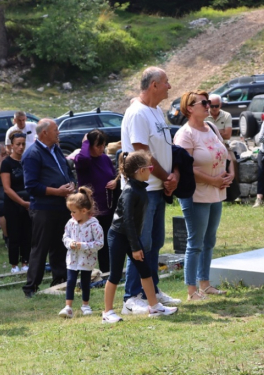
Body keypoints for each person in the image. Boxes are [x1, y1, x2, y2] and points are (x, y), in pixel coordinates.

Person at [120, 67, 181, 314]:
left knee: (154, 243)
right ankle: (132, 296)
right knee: (140, 244)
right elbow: (142, 153)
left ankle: (151, 290)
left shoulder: (155, 111)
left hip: (157, 188)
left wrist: (172, 176)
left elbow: (165, 148)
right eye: (166, 82)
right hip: (141, 191)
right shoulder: (137, 114)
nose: (169, 86)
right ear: (154, 85)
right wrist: (168, 177)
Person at [102, 151, 178, 323]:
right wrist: (135, 248)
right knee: (114, 275)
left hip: (131, 236)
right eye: (150, 168)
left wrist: (135, 244)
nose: (152, 171)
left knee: (145, 270)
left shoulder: (140, 188)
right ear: (140, 171)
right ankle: (107, 313)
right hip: (119, 236)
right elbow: (127, 221)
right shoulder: (130, 191)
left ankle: (155, 307)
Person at [174, 90, 231, 300]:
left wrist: (230, 172)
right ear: (190, 108)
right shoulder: (185, 134)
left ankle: (205, 284)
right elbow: (185, 167)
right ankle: (191, 290)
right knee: (195, 242)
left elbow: (225, 153)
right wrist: (213, 179)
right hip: (196, 193)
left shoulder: (212, 127)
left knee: (210, 240)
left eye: (209, 103)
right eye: (204, 103)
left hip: (216, 191)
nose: (209, 106)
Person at [22, 118, 76, 298]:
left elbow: (67, 172)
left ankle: (59, 280)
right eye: (55, 130)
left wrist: (71, 186)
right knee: (40, 247)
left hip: (61, 205)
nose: (58, 133)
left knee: (60, 245)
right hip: (43, 208)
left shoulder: (57, 149)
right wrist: (57, 191)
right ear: (44, 133)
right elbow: (31, 186)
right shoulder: (32, 154)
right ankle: (31, 287)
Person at [74, 129, 118, 273]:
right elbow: (84, 159)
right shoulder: (83, 160)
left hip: (107, 206)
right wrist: (85, 142)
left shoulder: (104, 158)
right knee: (90, 242)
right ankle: (85, 271)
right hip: (90, 209)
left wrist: (115, 182)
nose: (101, 149)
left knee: (105, 240)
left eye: (103, 145)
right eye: (98, 145)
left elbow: (114, 173)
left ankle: (106, 270)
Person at [58, 187, 103, 318]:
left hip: (86, 260)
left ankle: (85, 305)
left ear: (84, 211)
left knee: (85, 282)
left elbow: (99, 243)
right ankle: (68, 307)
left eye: (73, 212)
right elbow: (65, 236)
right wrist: (69, 243)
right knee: (71, 281)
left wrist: (82, 246)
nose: (71, 214)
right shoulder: (70, 223)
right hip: (72, 258)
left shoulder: (94, 225)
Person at [1, 132, 31, 273]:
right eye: (18, 144)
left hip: (27, 202)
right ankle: (14, 264)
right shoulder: (7, 163)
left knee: (27, 233)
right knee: (14, 234)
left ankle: (26, 261)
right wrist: (22, 202)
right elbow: (7, 188)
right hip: (13, 203)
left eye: (23, 144)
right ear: (12, 145)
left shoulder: (27, 160)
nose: (21, 147)